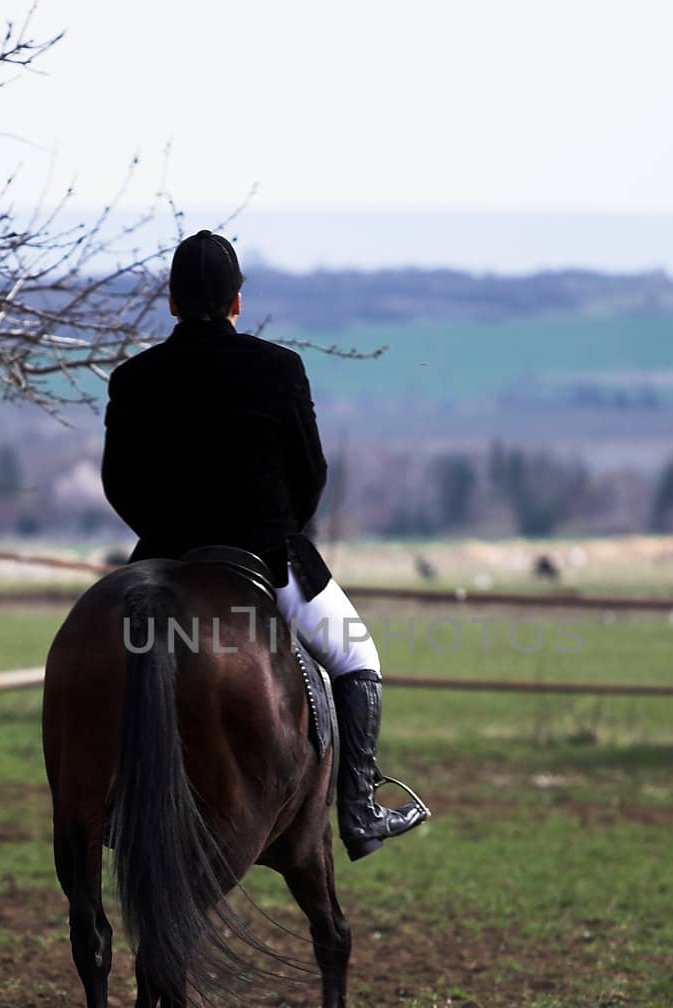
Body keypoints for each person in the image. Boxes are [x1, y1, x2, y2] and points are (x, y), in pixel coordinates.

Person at [100, 229, 429, 860]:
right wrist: (276, 531)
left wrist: (166, 539)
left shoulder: (133, 377)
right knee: (358, 658)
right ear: (237, 303)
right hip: (263, 557)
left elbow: (120, 484)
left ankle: (110, 799)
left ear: (171, 303)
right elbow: (312, 473)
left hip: (164, 565)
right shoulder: (278, 368)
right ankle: (358, 808)